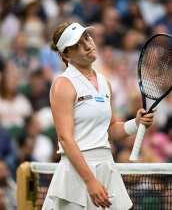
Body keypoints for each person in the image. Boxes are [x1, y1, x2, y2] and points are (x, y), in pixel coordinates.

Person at [42, 22, 157, 210]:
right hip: (78, 174)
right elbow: (65, 138)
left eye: (87, 38)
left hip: (107, 167)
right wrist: (90, 180)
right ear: (66, 56)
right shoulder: (63, 84)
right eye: (77, 45)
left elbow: (110, 129)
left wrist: (136, 123)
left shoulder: (105, 82)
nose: (88, 45)